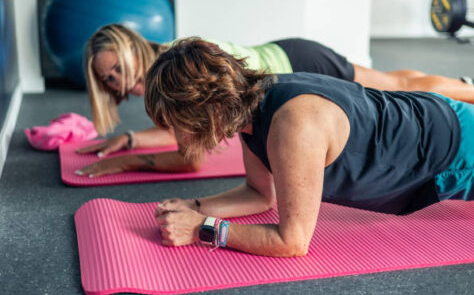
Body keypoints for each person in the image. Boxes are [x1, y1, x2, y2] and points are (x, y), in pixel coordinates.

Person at [145, 38, 473, 257]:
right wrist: (194, 205)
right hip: (429, 121)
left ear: (206, 107)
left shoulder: (292, 127)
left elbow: (292, 241)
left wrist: (202, 229)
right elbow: (258, 194)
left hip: (455, 149)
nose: (176, 134)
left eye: (176, 122)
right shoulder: (248, 108)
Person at [75, 23, 474, 178]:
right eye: (107, 79)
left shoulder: (172, 75)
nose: (117, 82)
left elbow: (190, 156)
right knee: (393, 85)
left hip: (297, 66)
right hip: (283, 58)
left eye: (118, 68)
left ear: (133, 50)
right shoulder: (167, 76)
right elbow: (183, 135)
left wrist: (126, 161)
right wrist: (130, 140)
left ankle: (466, 89)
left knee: (395, 91)